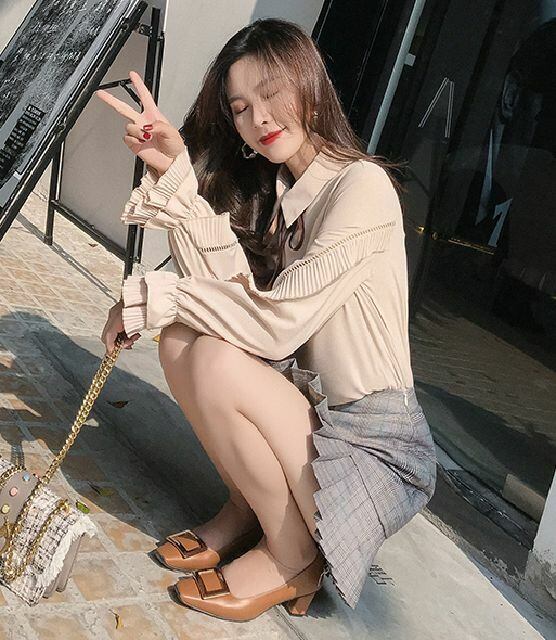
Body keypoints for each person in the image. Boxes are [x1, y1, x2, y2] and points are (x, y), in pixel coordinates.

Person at [98, 18, 436, 622]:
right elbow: (235, 293)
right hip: (314, 412)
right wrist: (174, 173)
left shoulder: (362, 187)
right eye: (240, 108)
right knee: (183, 340)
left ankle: (291, 557)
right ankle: (248, 509)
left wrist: (153, 296)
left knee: (215, 358)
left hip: (369, 443)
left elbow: (275, 323)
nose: (259, 117)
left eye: (272, 92)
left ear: (310, 85)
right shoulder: (284, 192)